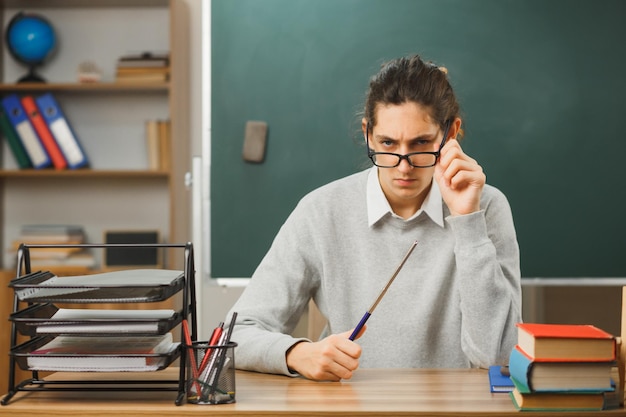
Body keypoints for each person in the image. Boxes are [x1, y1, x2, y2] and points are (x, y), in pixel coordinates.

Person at [227, 54, 521, 381]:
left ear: (450, 134)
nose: (404, 165)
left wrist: (468, 222)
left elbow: (500, 356)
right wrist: (298, 353)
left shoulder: (486, 207)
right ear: (368, 133)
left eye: (421, 143)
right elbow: (236, 334)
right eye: (388, 143)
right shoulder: (321, 210)